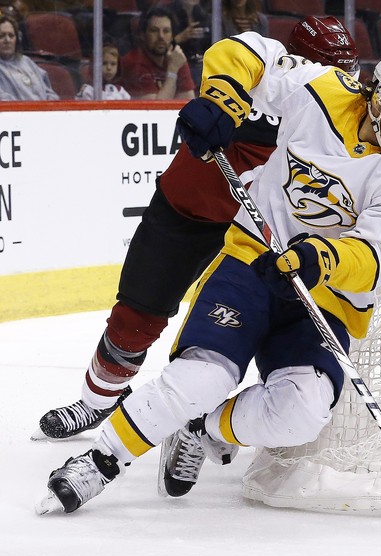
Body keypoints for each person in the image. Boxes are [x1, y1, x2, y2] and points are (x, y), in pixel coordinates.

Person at [36, 37, 381, 514]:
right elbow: (250, 51)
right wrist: (221, 99)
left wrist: (322, 259)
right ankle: (99, 462)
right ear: (377, 97)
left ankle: (202, 427)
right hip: (252, 260)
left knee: (303, 412)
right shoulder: (322, 90)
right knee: (200, 377)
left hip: (327, 297)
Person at [34, 16, 359, 442]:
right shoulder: (270, 65)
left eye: (348, 70)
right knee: (135, 317)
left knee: (233, 337)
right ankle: (99, 401)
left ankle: (196, 424)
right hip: (188, 213)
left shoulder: (351, 109)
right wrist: (222, 102)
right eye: (334, 69)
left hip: (257, 239)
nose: (344, 81)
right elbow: (236, 53)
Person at [121, 6, 196, 100]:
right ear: (142, 35)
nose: (161, 36)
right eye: (154, 30)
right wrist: (172, 71)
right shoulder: (134, 62)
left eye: (166, 31)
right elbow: (155, 110)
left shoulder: (177, 58)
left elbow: (188, 101)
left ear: (172, 36)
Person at [0, 14, 58, 101]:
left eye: (11, 35)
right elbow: (5, 103)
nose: (7, 40)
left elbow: (49, 92)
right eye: (1, 36)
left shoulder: (27, 62)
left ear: (17, 39)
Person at [167, 0, 212, 87]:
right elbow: (161, 46)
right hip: (177, 64)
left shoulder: (204, 14)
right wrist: (181, 37)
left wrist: (207, 56)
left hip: (201, 66)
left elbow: (213, 42)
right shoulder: (168, 13)